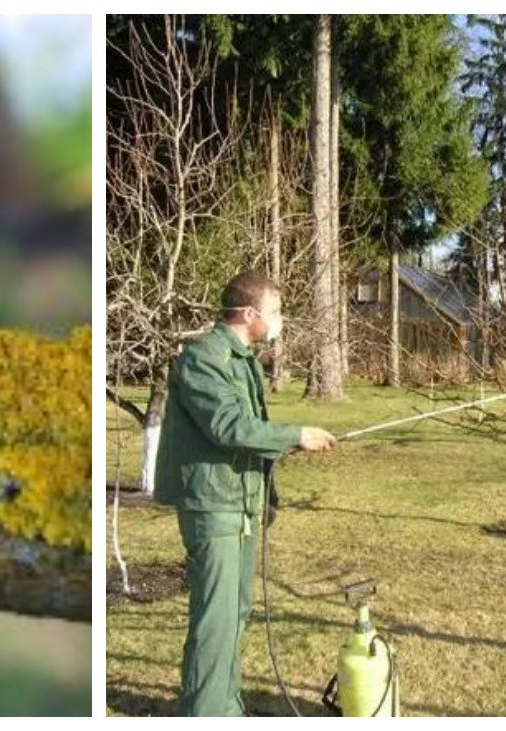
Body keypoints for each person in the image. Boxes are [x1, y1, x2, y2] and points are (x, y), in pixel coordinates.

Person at [153, 270, 337, 717]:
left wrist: (276, 470)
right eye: (274, 312)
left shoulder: (243, 359)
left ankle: (225, 707)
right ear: (250, 313)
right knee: (214, 621)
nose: (279, 321)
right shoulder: (203, 358)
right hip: (213, 507)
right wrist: (296, 433)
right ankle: (204, 714)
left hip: (242, 505)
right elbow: (228, 427)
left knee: (235, 613)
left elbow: (246, 435)